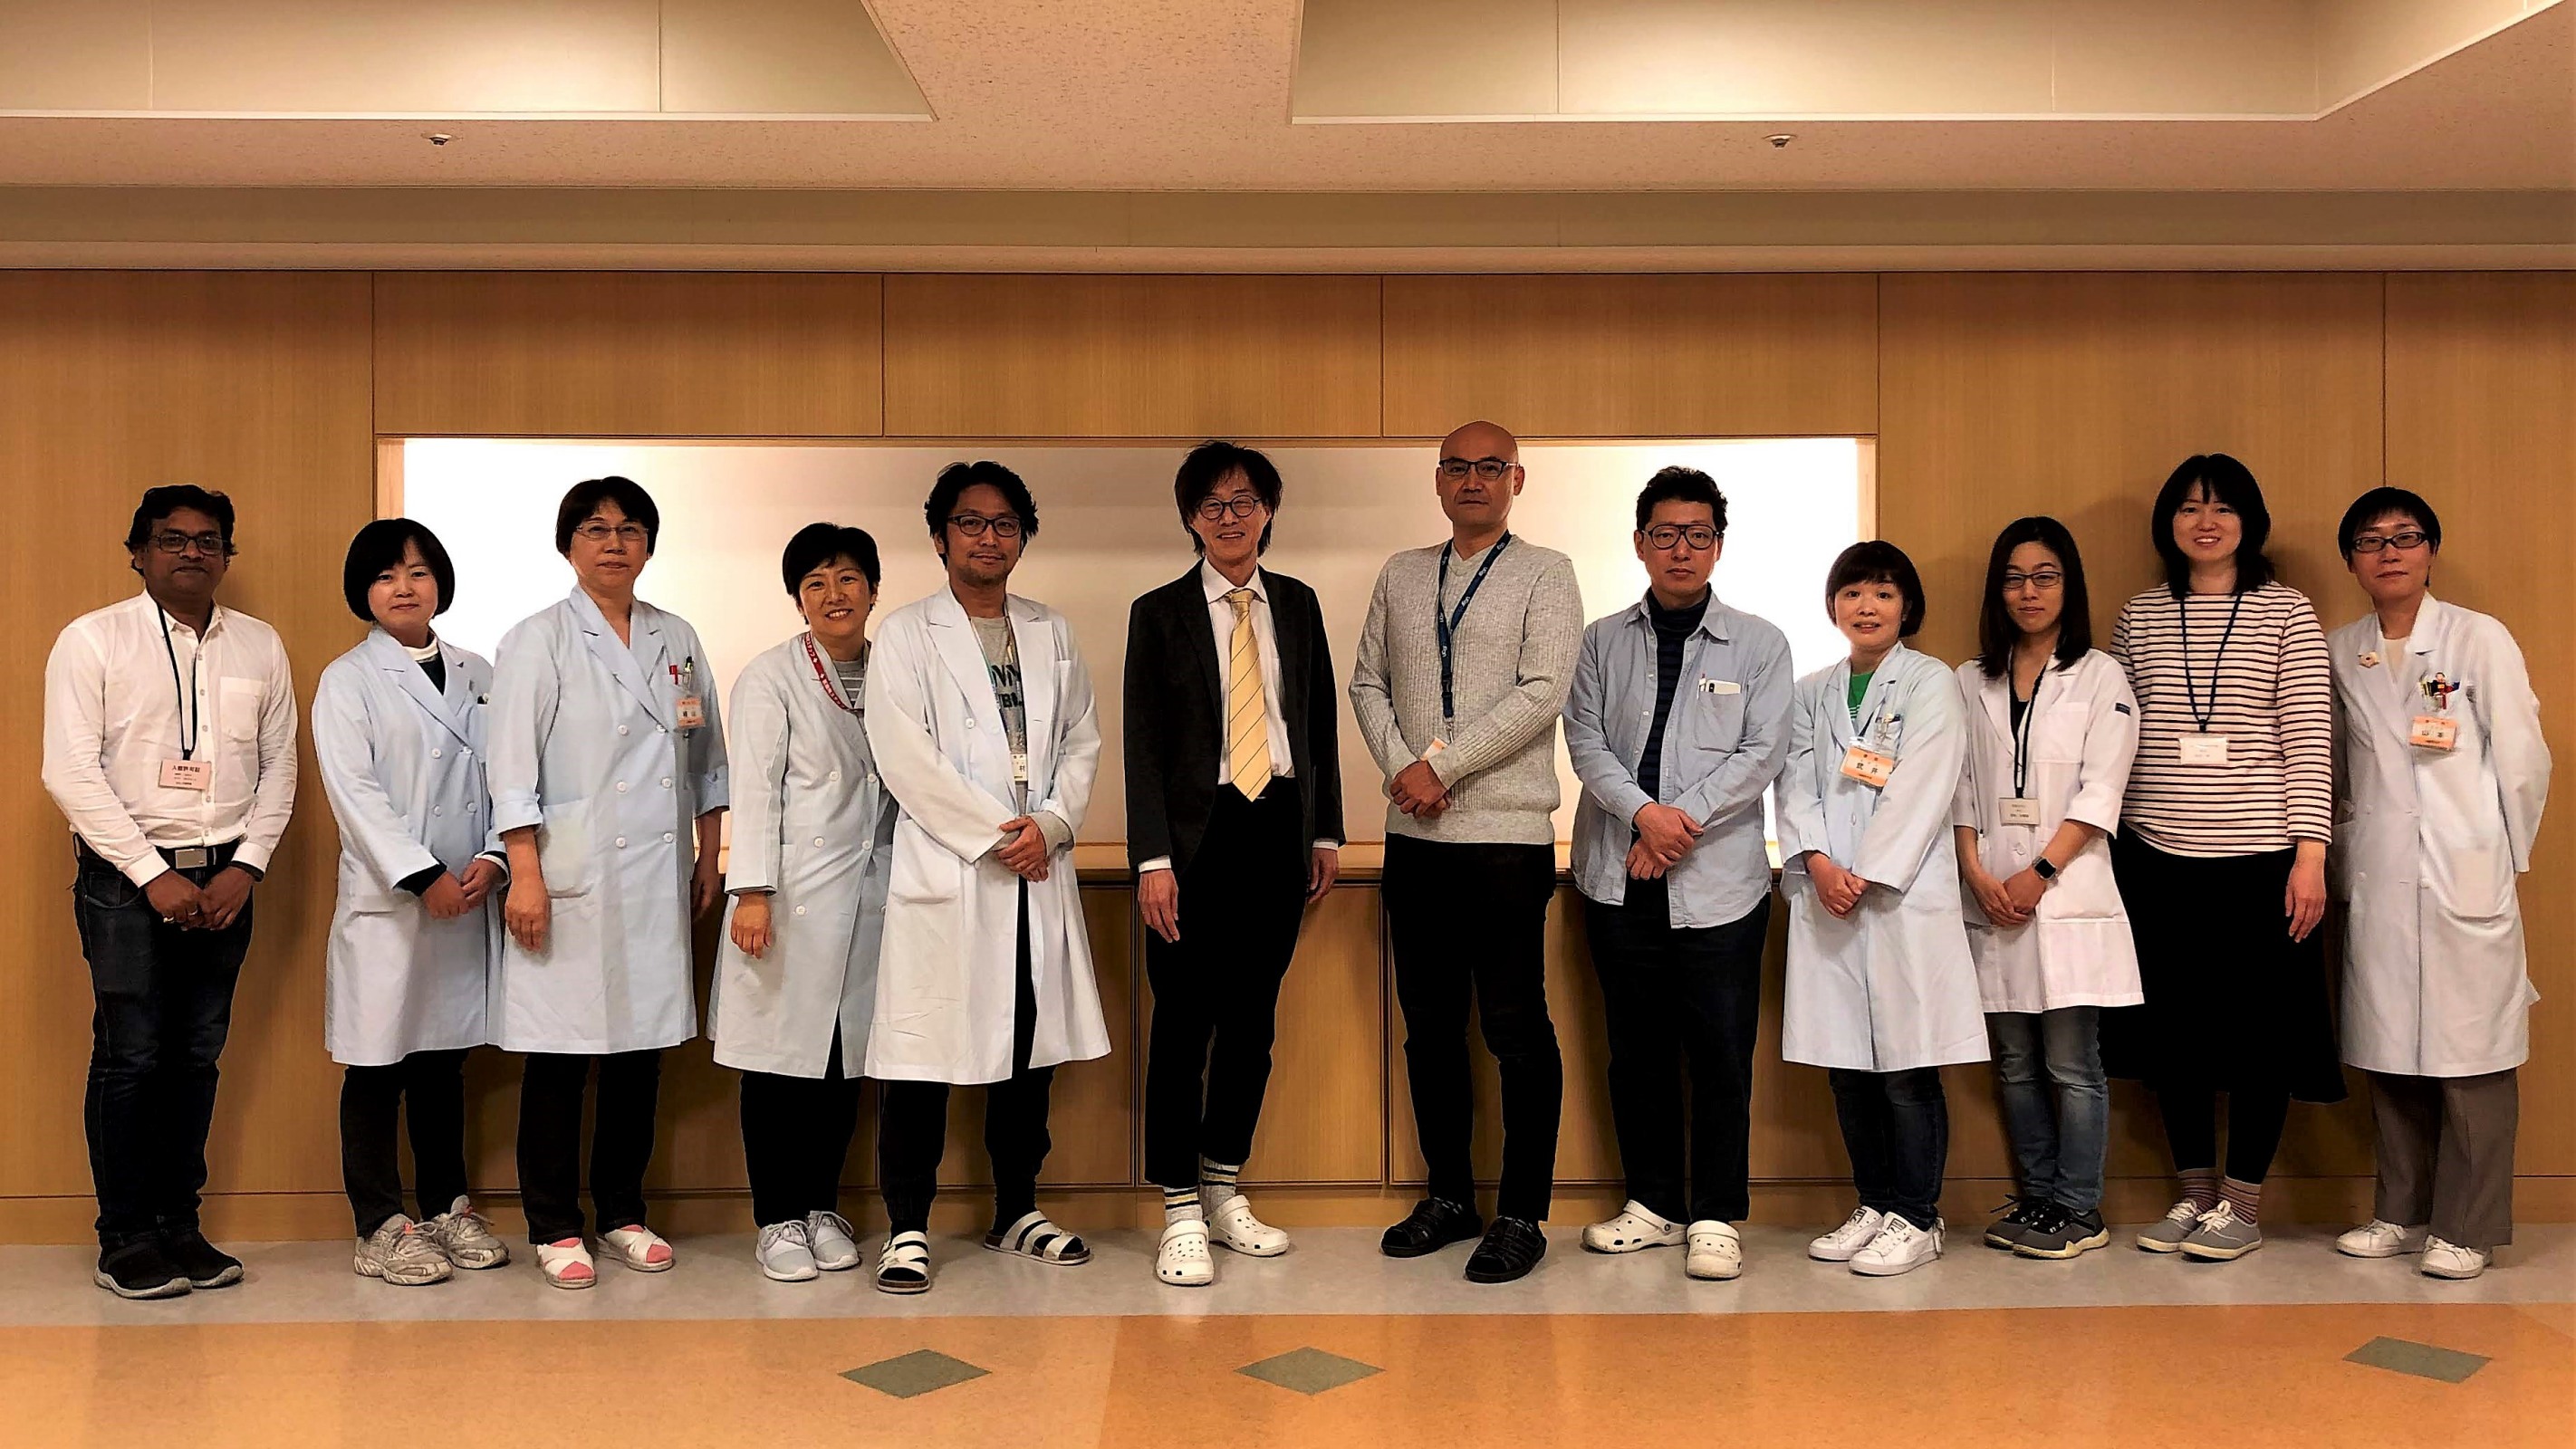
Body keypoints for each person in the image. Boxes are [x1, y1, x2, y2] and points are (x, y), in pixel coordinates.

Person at [43, 485, 298, 1300]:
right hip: (126, 878)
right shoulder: (94, 639)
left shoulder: (259, 645)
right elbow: (69, 771)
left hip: (228, 876)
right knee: (131, 1055)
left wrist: (247, 867)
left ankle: (179, 1225)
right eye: (172, 539)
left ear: (227, 555)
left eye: (208, 540)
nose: (192, 552)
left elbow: (281, 767)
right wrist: (151, 875)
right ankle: (124, 1237)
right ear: (139, 554)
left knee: (196, 1057)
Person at [863, 461, 1109, 1295]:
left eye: (1005, 524)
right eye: (970, 522)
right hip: (952, 869)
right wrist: (998, 838)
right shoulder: (907, 634)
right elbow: (904, 756)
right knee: (920, 1058)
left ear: (1022, 538)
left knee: (1027, 1051)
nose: (988, 538)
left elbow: (1081, 741)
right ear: (940, 538)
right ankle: (906, 1225)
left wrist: (1053, 826)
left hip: (1036, 870)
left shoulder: (1051, 631)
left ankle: (1016, 1210)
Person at [1351, 420, 1583, 1286]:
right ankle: (1449, 1195)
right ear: (1438, 479)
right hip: (1417, 843)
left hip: (1506, 843)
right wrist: (1404, 773)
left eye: (1491, 468)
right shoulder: (1402, 573)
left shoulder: (1547, 573)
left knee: (1516, 1031)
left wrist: (1441, 767)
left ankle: (1522, 1213)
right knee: (1430, 1033)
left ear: (1517, 480)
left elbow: (1543, 691)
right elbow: (1367, 681)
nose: (1473, 481)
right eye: (1458, 467)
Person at [489, 476, 730, 1290]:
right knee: (560, 1058)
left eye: (629, 529)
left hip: (657, 873)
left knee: (640, 1055)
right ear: (569, 546)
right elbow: (510, 771)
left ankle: (623, 1210)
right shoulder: (538, 638)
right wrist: (525, 874)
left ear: (649, 545)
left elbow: (706, 758)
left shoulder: (677, 635)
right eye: (595, 529)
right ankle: (554, 1223)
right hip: (570, 873)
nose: (614, 543)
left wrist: (707, 855)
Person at [2108, 454, 2342, 1262]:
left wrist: (2310, 855)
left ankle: (2241, 1206)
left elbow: (2309, 737)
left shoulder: (2286, 610)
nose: (2204, 522)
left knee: (2260, 1040)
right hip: (2156, 856)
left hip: (2264, 859)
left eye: (2222, 507)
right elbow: (2116, 736)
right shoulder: (2141, 615)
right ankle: (2195, 1195)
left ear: (2250, 521)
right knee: (2175, 1037)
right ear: (2168, 523)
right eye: (2188, 507)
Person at [1562, 467, 1791, 1282]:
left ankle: (1717, 1214)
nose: (1681, 549)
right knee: (1637, 1052)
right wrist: (1642, 816)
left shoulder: (1760, 643)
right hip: (1616, 879)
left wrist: (1672, 825)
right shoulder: (1601, 639)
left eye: (1697, 534)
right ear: (1640, 544)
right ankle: (1653, 1204)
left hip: (1720, 887)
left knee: (1721, 1053)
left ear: (1718, 545)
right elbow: (1584, 740)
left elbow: (1761, 753)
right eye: (1665, 534)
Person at [1124, 442, 1344, 1289]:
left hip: (1276, 825)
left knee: (1253, 1022)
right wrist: (1152, 857)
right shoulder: (1158, 612)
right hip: (1194, 836)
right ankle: (1179, 1207)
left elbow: (1316, 724)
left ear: (1268, 511)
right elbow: (1144, 745)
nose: (1230, 517)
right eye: (1213, 504)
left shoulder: (1298, 603)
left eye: (1244, 501)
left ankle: (1223, 1186)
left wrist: (1326, 833)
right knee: (1183, 1024)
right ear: (1190, 518)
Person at [2326, 488, 2549, 1281]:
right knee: (2390, 1051)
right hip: (2381, 877)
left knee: (2473, 1058)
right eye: (2370, 541)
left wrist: (2496, 856)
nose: (2389, 552)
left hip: (2465, 872)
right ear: (2351, 561)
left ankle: (2468, 1227)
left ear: (2430, 551)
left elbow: (2523, 761)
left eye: (2406, 537)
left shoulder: (2476, 637)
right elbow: (2338, 771)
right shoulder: (2341, 650)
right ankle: (2401, 1211)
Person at [312, 520, 513, 1287]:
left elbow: (511, 775)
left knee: (441, 1063)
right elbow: (354, 794)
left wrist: (495, 856)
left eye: (420, 571)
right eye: (386, 574)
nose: (404, 587)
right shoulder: (348, 679)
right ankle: (379, 1224)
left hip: (468, 889)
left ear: (440, 584)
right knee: (376, 1064)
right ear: (363, 590)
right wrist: (422, 875)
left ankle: (445, 1205)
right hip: (392, 902)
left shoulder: (480, 671)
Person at [1777, 541, 1981, 1278]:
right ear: (1834, 605)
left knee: (1906, 1067)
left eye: (1884, 593)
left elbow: (1925, 784)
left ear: (1906, 607)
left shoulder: (1930, 683)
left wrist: (1864, 873)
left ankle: (1918, 1216)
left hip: (1899, 897)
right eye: (1853, 592)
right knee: (1846, 1066)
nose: (1867, 606)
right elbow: (1793, 783)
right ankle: (1874, 1202)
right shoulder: (1811, 691)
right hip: (1830, 894)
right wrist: (1818, 863)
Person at [710, 524, 899, 1283]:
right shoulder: (771, 676)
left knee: (844, 1064)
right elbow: (754, 790)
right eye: (815, 583)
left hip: (874, 895)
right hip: (789, 899)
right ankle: (776, 1217)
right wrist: (752, 892)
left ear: (874, 590)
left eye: (848, 578)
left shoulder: (897, 671)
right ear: (798, 599)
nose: (833, 595)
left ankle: (821, 1206)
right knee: (778, 1065)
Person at [1950, 518, 2140, 1262]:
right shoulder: (1970, 680)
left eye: (2045, 576)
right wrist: (1977, 873)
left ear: (2070, 586)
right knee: (2015, 1063)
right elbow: (1960, 786)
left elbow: (2102, 790)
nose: (2028, 591)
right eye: (2014, 578)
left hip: (2065, 893)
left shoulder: (2100, 676)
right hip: (1991, 891)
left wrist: (2039, 874)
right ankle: (2036, 1199)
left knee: (2072, 1064)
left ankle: (2078, 1209)